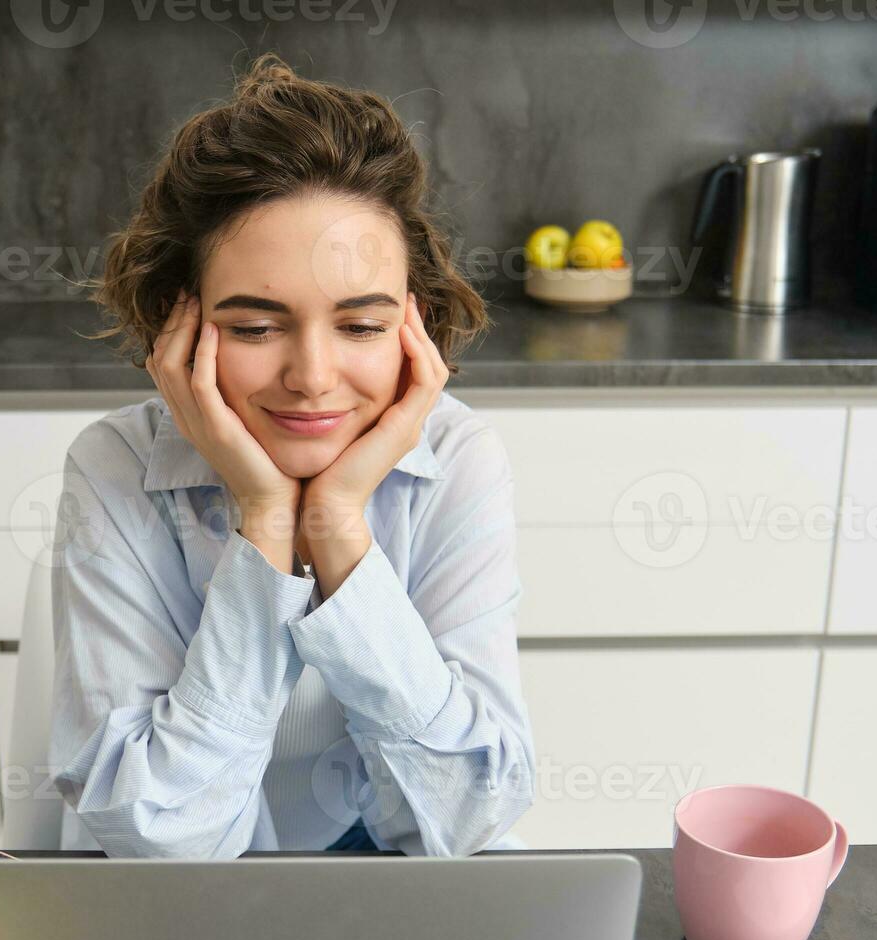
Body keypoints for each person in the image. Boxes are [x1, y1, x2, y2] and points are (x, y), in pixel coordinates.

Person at [44, 55, 533, 857]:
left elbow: (471, 811)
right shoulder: (111, 468)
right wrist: (266, 522)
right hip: (187, 903)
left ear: (415, 323)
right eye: (254, 327)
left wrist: (337, 524)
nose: (311, 379)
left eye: (361, 326)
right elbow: (163, 841)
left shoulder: (458, 456)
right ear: (178, 327)